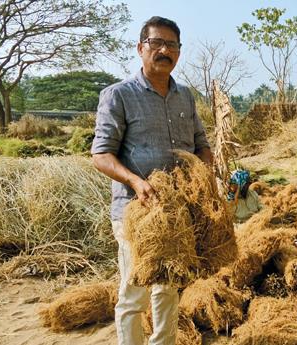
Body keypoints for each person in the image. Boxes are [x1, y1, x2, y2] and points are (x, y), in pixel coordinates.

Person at [90, 16, 212, 345]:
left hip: (177, 212)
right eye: (156, 43)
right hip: (137, 212)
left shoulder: (185, 96)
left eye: (171, 45)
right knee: (135, 293)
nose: (164, 50)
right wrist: (135, 181)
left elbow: (202, 145)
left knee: (169, 287)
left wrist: (204, 178)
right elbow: (101, 154)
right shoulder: (119, 95)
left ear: (179, 52)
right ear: (140, 48)